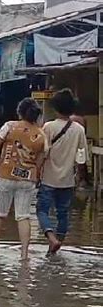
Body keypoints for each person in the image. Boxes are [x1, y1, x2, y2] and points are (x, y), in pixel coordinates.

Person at [0, 98, 48, 260]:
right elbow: (41, 159)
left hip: (5, 175)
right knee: (23, 216)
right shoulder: (41, 134)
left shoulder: (10, 126)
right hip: (28, 179)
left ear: (20, 112)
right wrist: (36, 173)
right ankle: (24, 254)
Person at [36, 89, 88, 256]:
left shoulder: (48, 127)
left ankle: (51, 239)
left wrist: (36, 172)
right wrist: (81, 178)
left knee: (42, 210)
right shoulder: (79, 129)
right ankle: (56, 247)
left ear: (55, 108)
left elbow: (43, 153)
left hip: (48, 178)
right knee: (63, 214)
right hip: (67, 180)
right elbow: (82, 158)